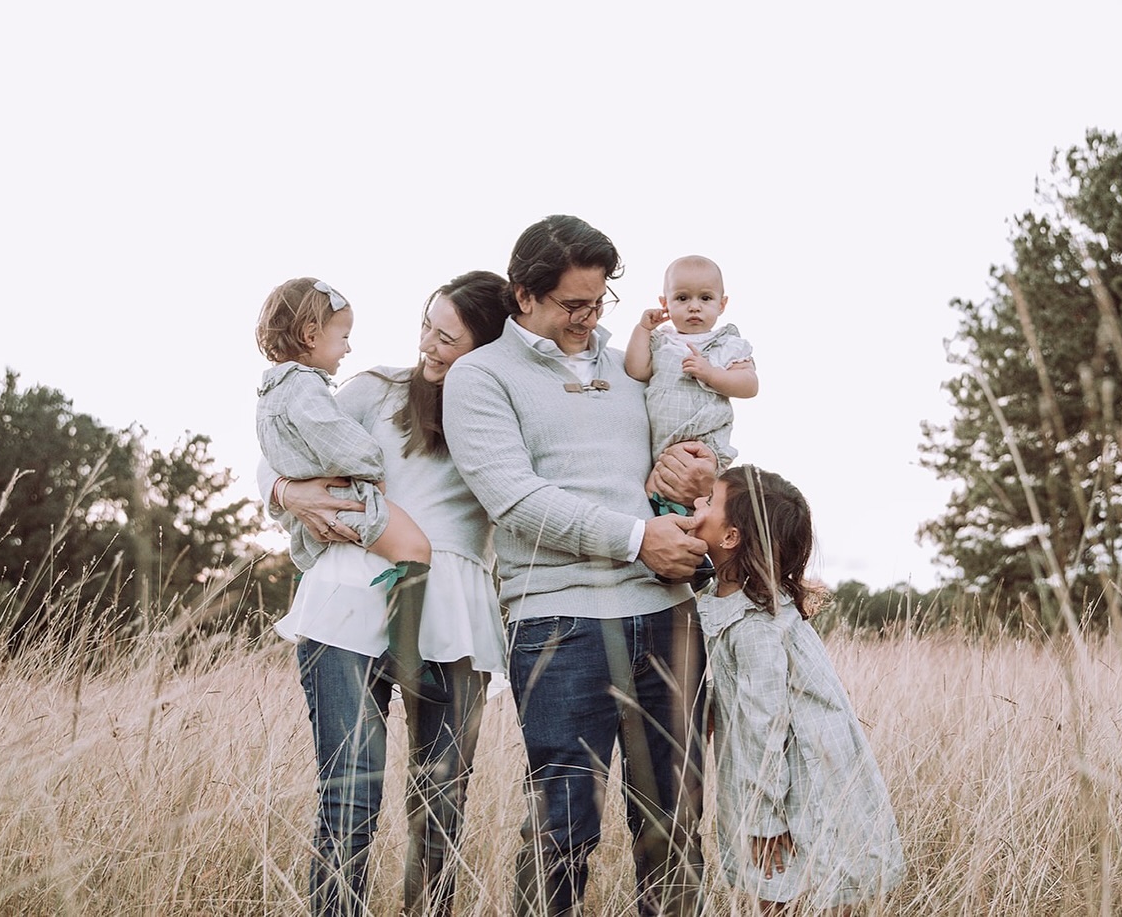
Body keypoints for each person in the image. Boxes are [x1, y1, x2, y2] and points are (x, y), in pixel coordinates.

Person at [442, 215, 717, 917]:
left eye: (599, 304)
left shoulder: (631, 366)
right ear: (522, 296)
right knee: (562, 831)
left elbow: (676, 448)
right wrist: (636, 538)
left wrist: (688, 472)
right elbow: (515, 499)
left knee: (675, 830)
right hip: (559, 624)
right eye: (573, 306)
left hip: (668, 618)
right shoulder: (479, 378)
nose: (589, 320)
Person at [259, 270, 510, 917]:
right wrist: (285, 492)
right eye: (427, 325)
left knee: (442, 802)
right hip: (349, 595)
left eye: (447, 338)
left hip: (454, 612)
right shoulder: (375, 388)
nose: (428, 344)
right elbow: (281, 438)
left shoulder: (506, 415)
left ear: (486, 349)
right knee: (349, 795)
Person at [691, 465, 906, 914]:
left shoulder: (754, 624)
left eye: (709, 500)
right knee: (787, 885)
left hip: (796, 779)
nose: (696, 504)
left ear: (730, 538)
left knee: (781, 884)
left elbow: (764, 723)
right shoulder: (730, 601)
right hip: (788, 770)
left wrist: (766, 817)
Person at [254, 275, 436, 699]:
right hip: (345, 498)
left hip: (325, 503)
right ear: (310, 335)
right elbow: (332, 433)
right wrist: (372, 464)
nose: (349, 348)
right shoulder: (304, 386)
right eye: (344, 336)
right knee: (415, 548)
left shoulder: (272, 387)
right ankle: (405, 653)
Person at [624, 255, 757, 515]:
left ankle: (696, 522)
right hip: (660, 445)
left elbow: (749, 385)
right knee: (659, 492)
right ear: (665, 303)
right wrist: (642, 329)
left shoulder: (727, 344)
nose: (694, 307)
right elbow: (636, 370)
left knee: (693, 492)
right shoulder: (661, 341)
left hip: (704, 439)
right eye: (682, 298)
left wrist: (711, 374)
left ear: (722, 304)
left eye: (705, 298)